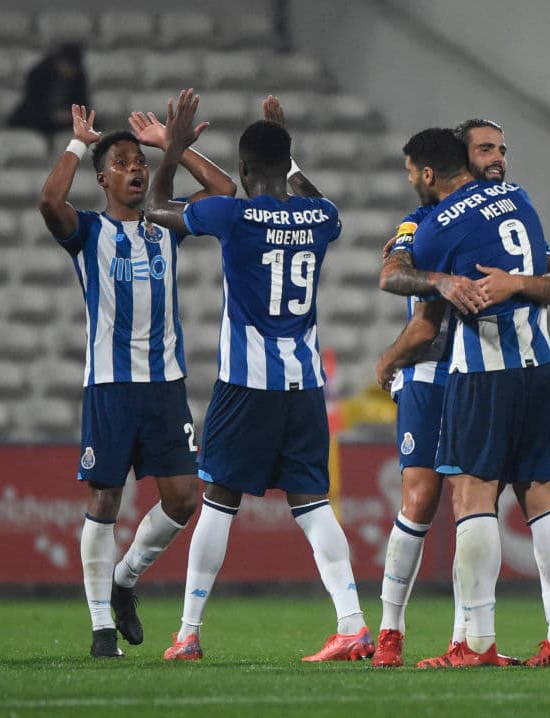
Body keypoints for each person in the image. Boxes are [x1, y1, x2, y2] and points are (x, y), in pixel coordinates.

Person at [146, 91, 373, 662]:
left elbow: (155, 208)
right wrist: (291, 158)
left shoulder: (234, 215)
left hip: (246, 386)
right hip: (303, 386)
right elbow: (326, 207)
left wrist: (172, 151)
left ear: (244, 171)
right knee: (314, 504)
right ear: (286, 164)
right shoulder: (317, 217)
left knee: (219, 499)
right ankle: (351, 624)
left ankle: (189, 633)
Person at [371, 119, 550, 669]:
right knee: (539, 494)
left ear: (430, 171)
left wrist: (387, 360)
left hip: (482, 369)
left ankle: (476, 642)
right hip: (538, 362)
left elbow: (409, 299)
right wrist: (516, 283)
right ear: (466, 156)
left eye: (502, 148)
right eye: (487, 148)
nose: (498, 157)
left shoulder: (437, 225)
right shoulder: (518, 200)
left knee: (471, 493)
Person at [38, 96, 237, 658]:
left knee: (183, 500)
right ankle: (102, 627)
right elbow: (49, 200)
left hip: (165, 385)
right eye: (123, 162)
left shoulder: (165, 224)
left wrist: (173, 147)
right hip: (109, 387)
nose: (135, 170)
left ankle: (124, 581)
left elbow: (224, 195)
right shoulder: (88, 232)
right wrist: (79, 143)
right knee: (106, 501)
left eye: (139, 163)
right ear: (103, 178)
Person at [10, 43, 90, 148]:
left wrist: (70, 114)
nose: (70, 72)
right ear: (60, 62)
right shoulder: (39, 73)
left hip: (66, 119)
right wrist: (52, 114)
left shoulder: (78, 76)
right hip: (39, 116)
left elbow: (83, 103)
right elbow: (33, 101)